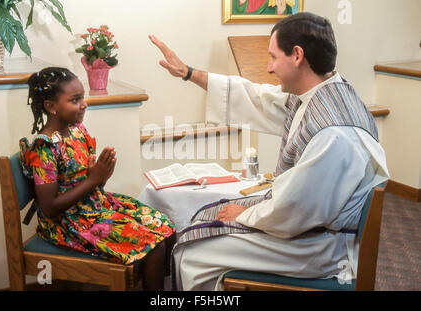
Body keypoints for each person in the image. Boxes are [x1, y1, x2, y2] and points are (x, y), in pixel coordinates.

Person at [149, 11, 389, 290]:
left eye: (273, 57)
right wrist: (188, 74)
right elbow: (254, 95)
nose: (269, 68)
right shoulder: (324, 93)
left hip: (323, 247)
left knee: (193, 254)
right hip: (310, 228)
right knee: (203, 222)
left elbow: (295, 211)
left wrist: (243, 214)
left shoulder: (334, 134)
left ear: (297, 55)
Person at [19, 67, 176, 290]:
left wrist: (101, 177)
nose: (84, 104)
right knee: (155, 247)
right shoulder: (44, 148)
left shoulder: (76, 131)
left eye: (82, 97)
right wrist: (94, 180)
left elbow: (87, 180)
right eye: (75, 100)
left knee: (166, 227)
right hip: (66, 223)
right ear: (51, 107)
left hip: (94, 206)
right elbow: (50, 208)